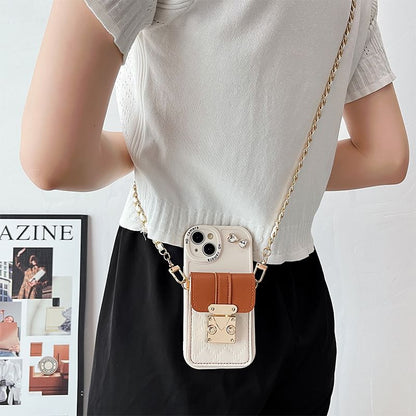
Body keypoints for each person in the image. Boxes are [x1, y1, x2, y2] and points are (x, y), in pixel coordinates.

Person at [19, 0, 409, 414]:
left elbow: (54, 161)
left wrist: (139, 151)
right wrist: (265, 173)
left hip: (171, 286)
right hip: (298, 301)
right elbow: (384, 156)